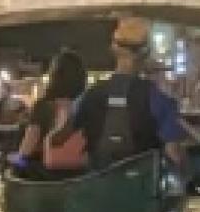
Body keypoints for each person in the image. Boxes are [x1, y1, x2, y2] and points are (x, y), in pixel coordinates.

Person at [51, 17, 188, 169]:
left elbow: (57, 140)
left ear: (113, 49)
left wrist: (62, 118)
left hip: (98, 186)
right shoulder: (159, 100)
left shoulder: (89, 96)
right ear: (145, 53)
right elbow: (174, 155)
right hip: (141, 188)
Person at [15, 49, 89, 171]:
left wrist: (16, 162)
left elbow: (26, 150)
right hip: (78, 174)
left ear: (54, 76)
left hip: (47, 177)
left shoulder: (44, 106)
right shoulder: (86, 105)